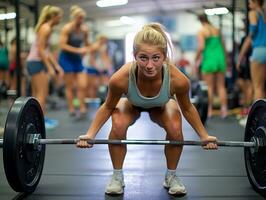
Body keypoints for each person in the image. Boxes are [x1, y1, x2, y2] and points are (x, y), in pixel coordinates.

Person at [77, 23, 218, 196]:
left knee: (175, 127)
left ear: (164, 56)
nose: (150, 65)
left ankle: (171, 176)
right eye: (143, 58)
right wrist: (90, 134)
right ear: (134, 56)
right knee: (118, 122)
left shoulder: (178, 80)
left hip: (161, 106)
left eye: (156, 58)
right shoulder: (119, 78)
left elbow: (187, 108)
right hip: (132, 105)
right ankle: (117, 176)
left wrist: (204, 136)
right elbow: (107, 106)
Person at [26, 5, 64, 130]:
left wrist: (56, 65)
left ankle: (34, 120)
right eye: (59, 16)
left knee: (36, 94)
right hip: (37, 62)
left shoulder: (46, 28)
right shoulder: (46, 28)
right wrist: (50, 67)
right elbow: (41, 50)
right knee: (42, 94)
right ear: (53, 16)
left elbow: (46, 51)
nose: (60, 19)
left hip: (34, 61)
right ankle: (39, 121)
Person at [58, 5, 90, 118]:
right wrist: (78, 50)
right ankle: (71, 108)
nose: (81, 20)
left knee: (82, 84)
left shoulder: (85, 29)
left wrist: (85, 51)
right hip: (66, 58)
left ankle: (82, 107)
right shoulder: (67, 28)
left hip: (77, 59)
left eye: (82, 18)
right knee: (70, 86)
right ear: (74, 17)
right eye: (79, 18)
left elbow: (87, 44)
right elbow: (62, 45)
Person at [195, 14, 228, 119]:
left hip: (209, 59)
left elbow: (201, 47)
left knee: (209, 87)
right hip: (219, 58)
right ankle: (224, 110)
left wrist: (196, 59)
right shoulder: (217, 29)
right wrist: (225, 59)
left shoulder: (202, 31)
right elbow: (224, 46)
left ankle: (208, 110)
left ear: (200, 21)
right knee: (221, 86)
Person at [237, 0, 266, 101]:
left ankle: (258, 116)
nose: (249, 5)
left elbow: (251, 34)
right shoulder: (264, 14)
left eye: (250, 3)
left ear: (255, 2)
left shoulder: (253, 13)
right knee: (263, 87)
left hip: (259, 51)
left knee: (257, 87)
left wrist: (240, 57)